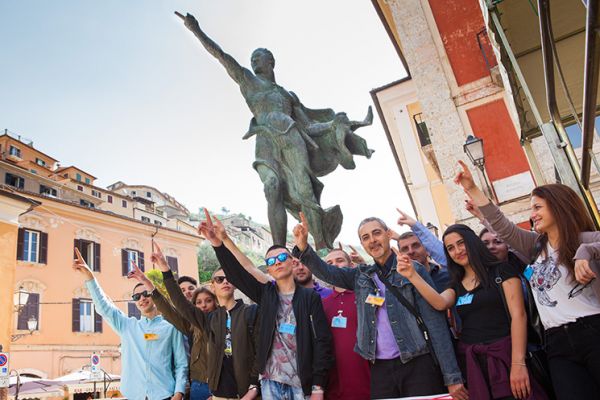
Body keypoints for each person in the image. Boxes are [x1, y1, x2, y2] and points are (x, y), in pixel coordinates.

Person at [177, 12, 373, 249]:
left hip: (292, 137)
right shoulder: (248, 81)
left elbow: (308, 126)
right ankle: (278, 249)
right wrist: (196, 30)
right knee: (272, 187)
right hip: (266, 141)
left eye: (258, 57)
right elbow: (222, 57)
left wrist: (333, 125)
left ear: (271, 62)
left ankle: (322, 246)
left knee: (304, 190)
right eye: (252, 58)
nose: (253, 61)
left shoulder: (287, 95)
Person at [455, 159, 600, 399]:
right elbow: (503, 227)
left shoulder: (585, 238)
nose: (532, 215)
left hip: (593, 330)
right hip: (555, 342)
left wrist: (586, 252)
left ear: (558, 207)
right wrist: (471, 188)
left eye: (538, 207)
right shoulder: (534, 245)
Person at [292, 212, 466, 399]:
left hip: (418, 364)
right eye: (365, 237)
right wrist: (303, 246)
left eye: (376, 233)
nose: (372, 240)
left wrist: (452, 377)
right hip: (380, 369)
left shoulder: (412, 269)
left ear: (388, 234)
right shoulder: (361, 276)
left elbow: (436, 324)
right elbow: (327, 272)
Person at [397, 224, 549, 399]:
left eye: (461, 243)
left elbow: (518, 316)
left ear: (472, 242)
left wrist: (518, 363)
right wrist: (412, 275)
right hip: (474, 363)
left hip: (506, 356)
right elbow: (440, 303)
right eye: (450, 248)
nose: (457, 251)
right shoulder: (456, 282)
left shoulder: (502, 271)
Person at [198, 210, 333, 399]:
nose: (277, 262)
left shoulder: (309, 297)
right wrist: (217, 244)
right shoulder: (266, 294)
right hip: (270, 382)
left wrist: (318, 386)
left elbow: (322, 341)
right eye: (271, 261)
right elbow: (238, 273)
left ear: (292, 262)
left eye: (282, 258)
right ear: (268, 268)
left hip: (301, 384)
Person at [72, 248, 188, 400]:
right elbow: (104, 307)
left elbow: (181, 364)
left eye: (146, 293)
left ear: (154, 295)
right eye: (136, 296)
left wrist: (179, 393)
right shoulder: (127, 326)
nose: (142, 298)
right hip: (133, 395)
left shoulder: (171, 327)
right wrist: (90, 277)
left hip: (165, 395)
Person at [128, 257, 216, 400]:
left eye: (191, 289)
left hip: (213, 385)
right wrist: (148, 283)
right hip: (189, 385)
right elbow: (168, 309)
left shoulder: (220, 322)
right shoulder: (185, 325)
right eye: (181, 291)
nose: (203, 305)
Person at [321, 249, 370, 400]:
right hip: (335, 387)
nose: (334, 265)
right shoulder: (322, 304)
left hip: (371, 383)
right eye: (329, 263)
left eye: (339, 260)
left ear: (351, 265)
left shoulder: (368, 296)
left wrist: (366, 268)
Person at [396, 208, 451, 292]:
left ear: (427, 250)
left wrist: (415, 225)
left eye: (415, 245)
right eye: (405, 249)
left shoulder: (448, 277)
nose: (411, 251)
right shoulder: (400, 286)